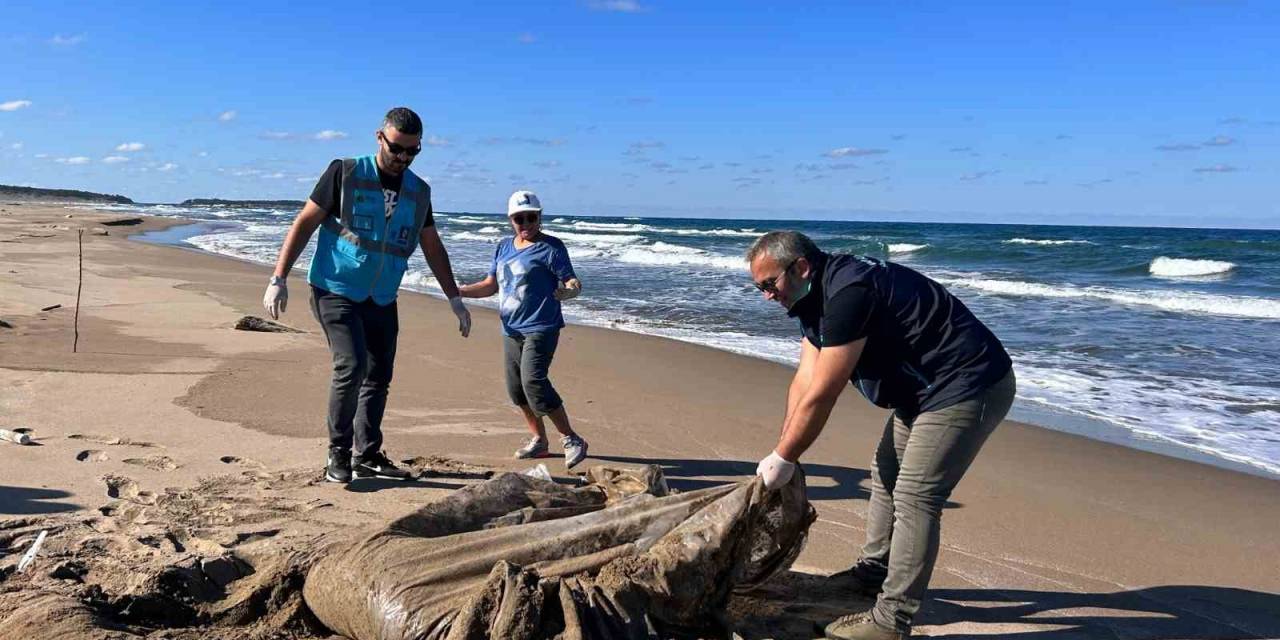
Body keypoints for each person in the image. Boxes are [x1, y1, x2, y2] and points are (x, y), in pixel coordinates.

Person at [747, 231, 1015, 640]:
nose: (767, 296)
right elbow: (804, 380)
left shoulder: (849, 294)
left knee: (916, 496)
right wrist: (782, 453)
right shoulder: (809, 297)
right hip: (921, 391)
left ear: (799, 267)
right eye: (759, 288)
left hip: (967, 384)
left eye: (769, 285)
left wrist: (785, 458)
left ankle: (891, 620)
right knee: (886, 473)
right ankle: (872, 575)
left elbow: (824, 393)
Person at [262, 107, 472, 484]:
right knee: (352, 365)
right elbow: (305, 222)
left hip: (382, 296)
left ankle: (368, 453)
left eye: (413, 151)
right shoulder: (345, 172)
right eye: (397, 148)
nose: (403, 157)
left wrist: (454, 297)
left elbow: (432, 245)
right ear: (380, 138)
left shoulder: (419, 191)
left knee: (379, 376)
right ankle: (338, 453)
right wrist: (279, 277)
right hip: (335, 287)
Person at [457, 190, 588, 469]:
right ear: (511, 220)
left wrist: (569, 292)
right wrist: (458, 291)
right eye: (519, 218)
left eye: (531, 217)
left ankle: (571, 438)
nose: (526, 223)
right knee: (516, 390)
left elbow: (573, 282)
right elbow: (491, 285)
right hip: (510, 328)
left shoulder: (551, 248)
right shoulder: (503, 247)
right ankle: (539, 440)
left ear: (540, 217)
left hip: (542, 325)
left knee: (534, 381)